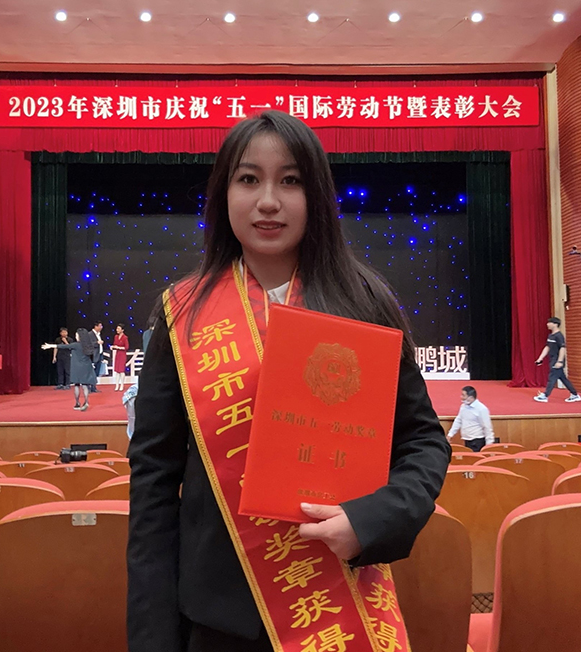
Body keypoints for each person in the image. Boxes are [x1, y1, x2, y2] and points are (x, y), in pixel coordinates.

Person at [127, 111, 451, 652]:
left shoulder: (363, 302)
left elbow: (423, 441)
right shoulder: (183, 313)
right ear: (223, 192)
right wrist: (153, 639)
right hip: (217, 620)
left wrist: (370, 520)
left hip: (337, 602)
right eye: (248, 179)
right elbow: (154, 484)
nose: (268, 201)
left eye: (291, 180)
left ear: (316, 194)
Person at [42, 328, 97, 411]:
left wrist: (50, 346)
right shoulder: (88, 345)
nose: (76, 336)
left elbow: (63, 346)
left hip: (77, 367)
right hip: (86, 367)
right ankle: (86, 402)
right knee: (85, 385)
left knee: (77, 385)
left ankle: (77, 403)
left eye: (77, 335)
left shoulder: (76, 345)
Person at [534, 317, 581, 403]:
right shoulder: (551, 336)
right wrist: (540, 358)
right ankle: (574, 394)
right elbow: (547, 347)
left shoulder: (559, 336)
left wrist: (560, 361)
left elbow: (562, 348)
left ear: (555, 324)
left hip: (557, 360)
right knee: (563, 378)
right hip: (552, 359)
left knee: (552, 378)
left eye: (550, 323)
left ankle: (545, 395)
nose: (547, 324)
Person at [446, 386, 495, 452]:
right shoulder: (463, 406)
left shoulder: (481, 409)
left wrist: (489, 444)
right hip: (467, 440)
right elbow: (458, 420)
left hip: (478, 441)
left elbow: (487, 427)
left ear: (471, 397)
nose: (461, 397)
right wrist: (450, 434)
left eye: (463, 395)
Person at [111, 323, 130, 391]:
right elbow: (115, 344)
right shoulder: (116, 337)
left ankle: (122, 385)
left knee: (121, 371)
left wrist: (118, 347)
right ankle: (117, 385)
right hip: (117, 354)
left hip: (122, 354)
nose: (117, 330)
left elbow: (126, 347)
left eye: (119, 328)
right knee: (117, 371)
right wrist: (113, 347)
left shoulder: (125, 337)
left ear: (122, 330)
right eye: (117, 328)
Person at [89, 321, 104, 392]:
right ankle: (90, 387)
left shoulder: (98, 334)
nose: (101, 328)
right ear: (96, 326)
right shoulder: (90, 334)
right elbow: (89, 344)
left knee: (96, 372)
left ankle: (93, 387)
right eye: (100, 326)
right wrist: (97, 343)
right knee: (92, 372)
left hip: (99, 355)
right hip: (93, 356)